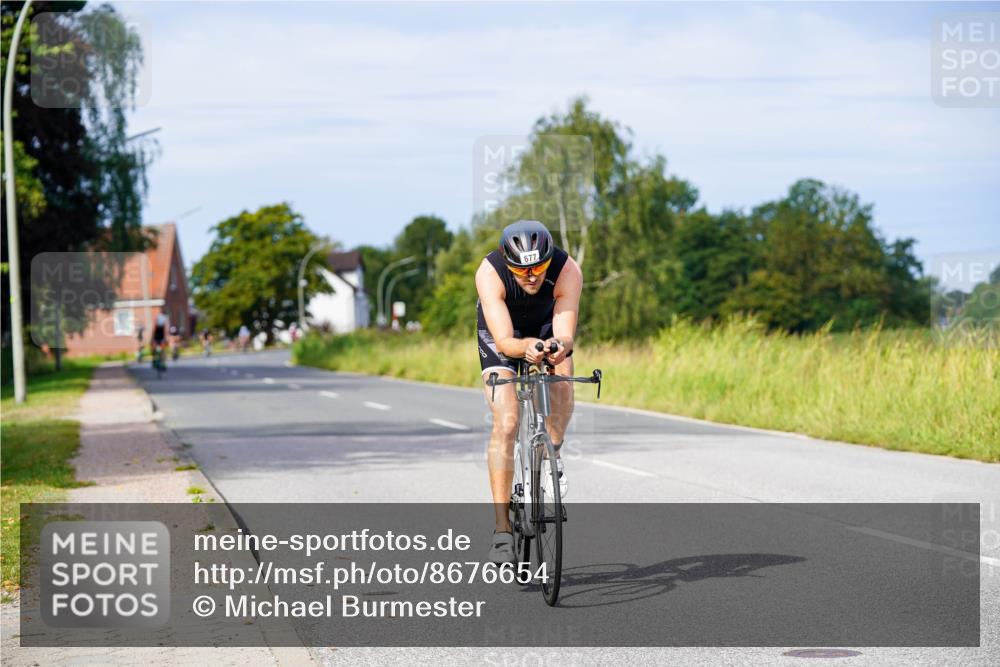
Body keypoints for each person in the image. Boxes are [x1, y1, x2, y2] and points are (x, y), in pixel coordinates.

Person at [475, 220, 582, 564]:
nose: (532, 276)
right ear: (508, 264)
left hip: (546, 325)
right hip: (504, 334)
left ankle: (554, 455)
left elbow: (565, 335)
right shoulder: (489, 273)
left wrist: (557, 347)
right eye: (522, 270)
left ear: (549, 260)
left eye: (539, 267)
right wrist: (525, 348)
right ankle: (502, 531)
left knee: (562, 381)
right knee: (507, 421)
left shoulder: (567, 270)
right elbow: (506, 342)